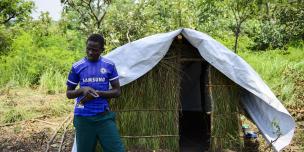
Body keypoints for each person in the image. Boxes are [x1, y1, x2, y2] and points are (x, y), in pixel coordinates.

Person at [66, 34, 125, 152]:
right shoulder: (77, 67)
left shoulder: (109, 65)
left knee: (117, 149)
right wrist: (82, 90)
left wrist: (98, 93)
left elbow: (117, 91)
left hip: (104, 117)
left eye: (95, 50)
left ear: (102, 50)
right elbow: (69, 93)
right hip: (83, 118)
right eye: (88, 48)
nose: (91, 52)